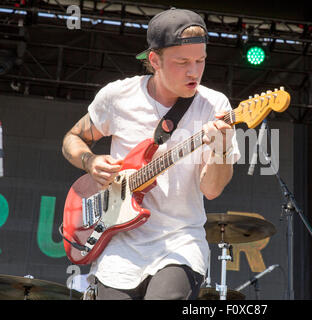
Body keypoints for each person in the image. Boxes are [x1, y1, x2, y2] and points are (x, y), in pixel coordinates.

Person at [61, 8, 240, 300]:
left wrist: (221, 147)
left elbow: (212, 189)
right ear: (154, 60)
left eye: (200, 60)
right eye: (182, 62)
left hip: (180, 243)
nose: (194, 71)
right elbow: (73, 138)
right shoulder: (118, 96)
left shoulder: (214, 105)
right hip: (119, 245)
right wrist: (90, 161)